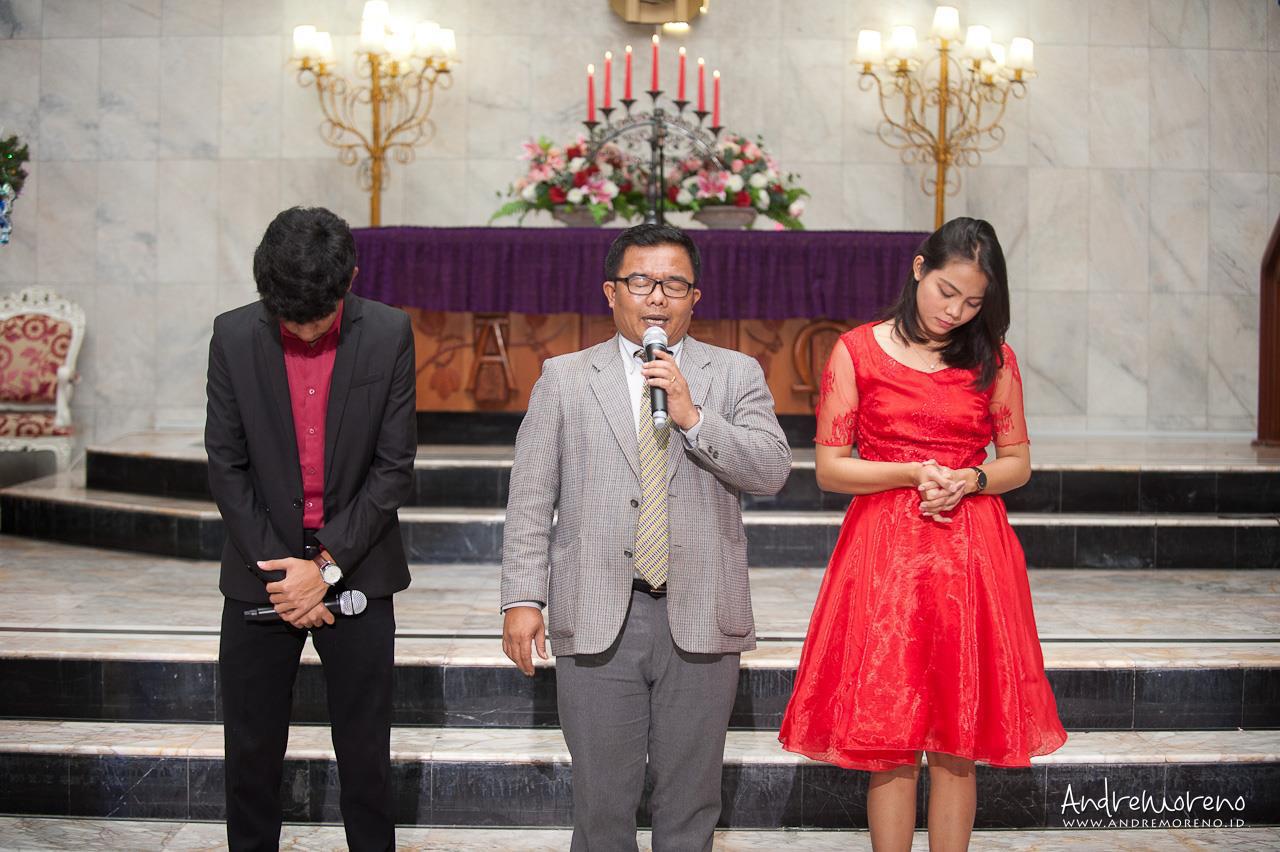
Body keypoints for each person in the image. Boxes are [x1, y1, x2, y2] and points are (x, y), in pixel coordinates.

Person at [500, 223, 792, 851]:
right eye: (641, 282)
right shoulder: (565, 377)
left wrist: (693, 417)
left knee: (691, 801)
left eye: (673, 284)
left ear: (695, 297)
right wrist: (523, 599)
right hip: (598, 611)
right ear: (612, 292)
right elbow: (530, 498)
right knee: (601, 802)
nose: (657, 297)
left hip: (702, 613)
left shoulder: (734, 373)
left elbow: (771, 470)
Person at [778, 217, 1066, 851]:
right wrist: (911, 471)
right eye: (946, 292)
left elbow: (1017, 463)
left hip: (970, 553)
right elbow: (831, 468)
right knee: (890, 734)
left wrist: (971, 479)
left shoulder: (994, 359)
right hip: (884, 554)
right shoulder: (856, 351)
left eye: (973, 302)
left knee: (959, 738)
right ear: (918, 270)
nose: (955, 312)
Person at [206, 206, 417, 851]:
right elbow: (226, 465)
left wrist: (323, 568)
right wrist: (286, 577)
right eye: (287, 319)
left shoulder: (388, 333)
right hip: (261, 574)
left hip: (358, 568)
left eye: (315, 320)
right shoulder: (233, 335)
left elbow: (393, 469)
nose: (300, 332)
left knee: (365, 758)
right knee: (250, 757)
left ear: (350, 279)